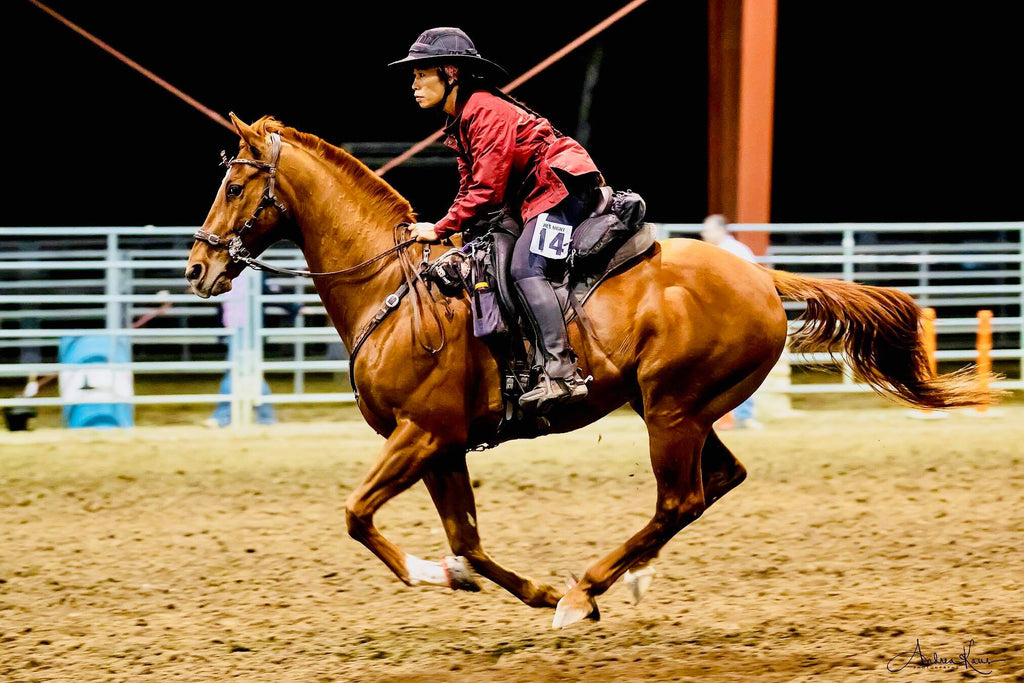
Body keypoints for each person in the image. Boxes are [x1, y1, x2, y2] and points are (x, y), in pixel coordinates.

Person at [389, 27, 604, 410]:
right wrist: (451, 227)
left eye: (422, 74)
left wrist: (439, 228)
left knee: (527, 268)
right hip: (531, 197)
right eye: (414, 76)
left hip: (561, 189)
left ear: (450, 73)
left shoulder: (484, 111)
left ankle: (562, 374)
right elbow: (470, 186)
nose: (414, 84)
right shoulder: (461, 120)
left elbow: (486, 189)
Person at [700, 214, 763, 430]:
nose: (704, 234)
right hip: (721, 317)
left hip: (734, 316)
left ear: (720, 230)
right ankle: (728, 415)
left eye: (708, 230)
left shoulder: (734, 251)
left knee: (736, 366)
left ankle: (741, 415)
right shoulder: (723, 251)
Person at [204, 268, 277, 427]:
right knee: (250, 373)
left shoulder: (248, 273)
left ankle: (223, 416)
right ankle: (266, 416)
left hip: (244, 328)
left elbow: (271, 294)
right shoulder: (230, 272)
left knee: (235, 372)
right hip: (236, 327)